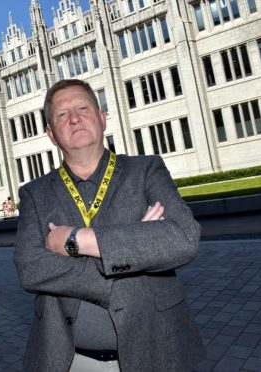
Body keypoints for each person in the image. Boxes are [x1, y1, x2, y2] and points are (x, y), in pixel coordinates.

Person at [13, 79, 205, 372]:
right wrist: (137, 247)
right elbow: (31, 268)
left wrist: (76, 240)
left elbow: (182, 238)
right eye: (62, 115)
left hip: (157, 352)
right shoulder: (34, 194)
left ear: (102, 118)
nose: (74, 118)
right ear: (51, 134)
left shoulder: (146, 170)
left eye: (82, 108)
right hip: (71, 360)